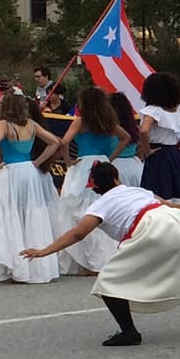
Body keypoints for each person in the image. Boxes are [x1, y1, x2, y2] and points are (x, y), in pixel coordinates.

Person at [21, 162, 180, 346]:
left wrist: (44, 251)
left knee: (108, 280)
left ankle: (129, 333)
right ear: (117, 178)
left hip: (149, 227)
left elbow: (78, 234)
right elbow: (168, 204)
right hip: (175, 219)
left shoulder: (100, 205)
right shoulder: (138, 190)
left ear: (95, 188)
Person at [0, 93, 63, 284]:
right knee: (33, 215)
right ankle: (38, 264)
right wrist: (37, 161)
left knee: (11, 215)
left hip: (11, 172)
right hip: (30, 171)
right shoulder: (31, 124)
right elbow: (55, 142)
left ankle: (16, 262)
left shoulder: (3, 124)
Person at [56, 85, 131, 275]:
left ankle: (87, 262)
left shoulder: (80, 122)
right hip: (103, 164)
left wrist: (68, 161)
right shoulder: (108, 121)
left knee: (80, 212)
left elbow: (64, 142)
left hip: (82, 168)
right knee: (103, 211)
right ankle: (103, 258)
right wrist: (110, 157)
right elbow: (126, 138)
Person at [138, 72, 180, 202]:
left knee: (156, 196)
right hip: (174, 153)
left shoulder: (153, 110)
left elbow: (144, 131)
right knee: (177, 195)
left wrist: (147, 151)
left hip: (157, 154)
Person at [107, 92, 143, 186]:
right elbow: (143, 142)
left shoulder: (110, 128)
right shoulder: (134, 127)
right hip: (134, 166)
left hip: (115, 165)